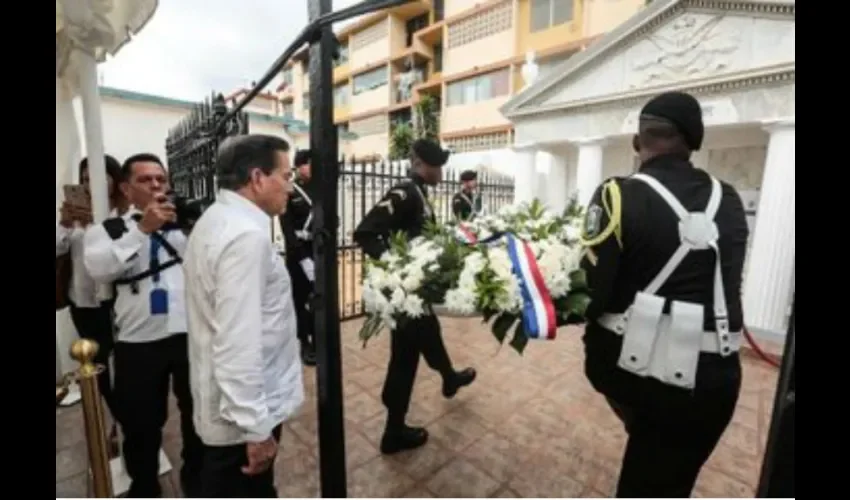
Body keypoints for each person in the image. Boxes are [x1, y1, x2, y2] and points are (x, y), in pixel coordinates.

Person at [579, 91, 750, 497]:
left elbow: (593, 296)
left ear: (638, 143)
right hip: (718, 383)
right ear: (693, 142)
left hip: (644, 377)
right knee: (673, 481)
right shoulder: (728, 198)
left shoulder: (616, 194)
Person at [184, 135, 304, 498]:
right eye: (286, 175)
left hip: (227, 406)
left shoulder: (218, 219)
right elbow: (238, 342)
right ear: (257, 178)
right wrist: (256, 430)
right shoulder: (244, 238)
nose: (291, 186)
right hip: (240, 422)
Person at [83, 153, 203, 498]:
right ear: (125, 188)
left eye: (160, 180)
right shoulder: (105, 231)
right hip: (138, 342)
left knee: (196, 413)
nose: (155, 185)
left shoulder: (185, 225)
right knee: (141, 424)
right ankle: (145, 484)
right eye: (145, 180)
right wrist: (142, 230)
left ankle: (195, 479)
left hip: (188, 335)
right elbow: (100, 270)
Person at [354, 138, 477, 454]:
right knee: (404, 360)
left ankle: (448, 378)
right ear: (420, 163)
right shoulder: (405, 192)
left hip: (415, 293)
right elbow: (365, 232)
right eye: (437, 164)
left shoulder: (420, 193)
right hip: (405, 293)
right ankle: (393, 431)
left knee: (426, 337)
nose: (441, 170)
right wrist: (397, 268)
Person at [56, 155, 128, 450]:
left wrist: (97, 225)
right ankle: (111, 423)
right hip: (82, 301)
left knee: (122, 366)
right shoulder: (73, 216)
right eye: (85, 178)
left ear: (114, 179)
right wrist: (65, 224)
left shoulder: (124, 214)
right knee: (96, 368)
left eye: (99, 177)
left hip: (117, 302)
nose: (91, 183)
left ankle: (126, 424)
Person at [278, 149, 317, 365]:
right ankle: (304, 342)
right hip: (298, 255)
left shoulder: (321, 190)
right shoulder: (290, 190)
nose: (312, 168)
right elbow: (287, 228)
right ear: (300, 166)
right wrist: (302, 259)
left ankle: (319, 339)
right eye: (309, 164)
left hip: (317, 250)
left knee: (319, 299)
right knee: (300, 300)